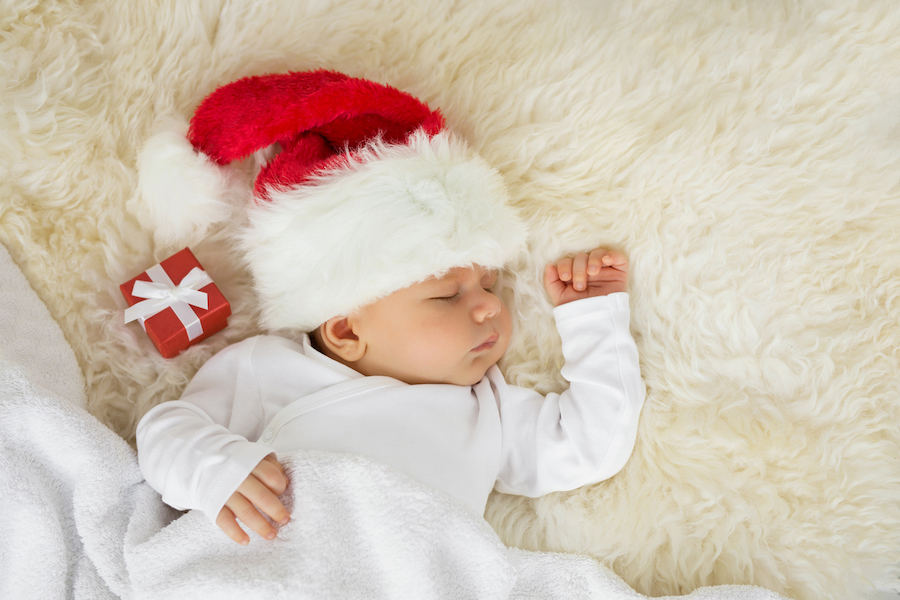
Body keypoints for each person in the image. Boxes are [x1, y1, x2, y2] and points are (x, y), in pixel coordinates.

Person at [134, 70, 646, 546]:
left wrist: (593, 318)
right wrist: (215, 470)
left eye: (488, 285)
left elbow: (589, 445)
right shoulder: (269, 369)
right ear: (346, 331)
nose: (490, 306)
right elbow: (167, 431)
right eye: (449, 294)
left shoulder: (487, 410)